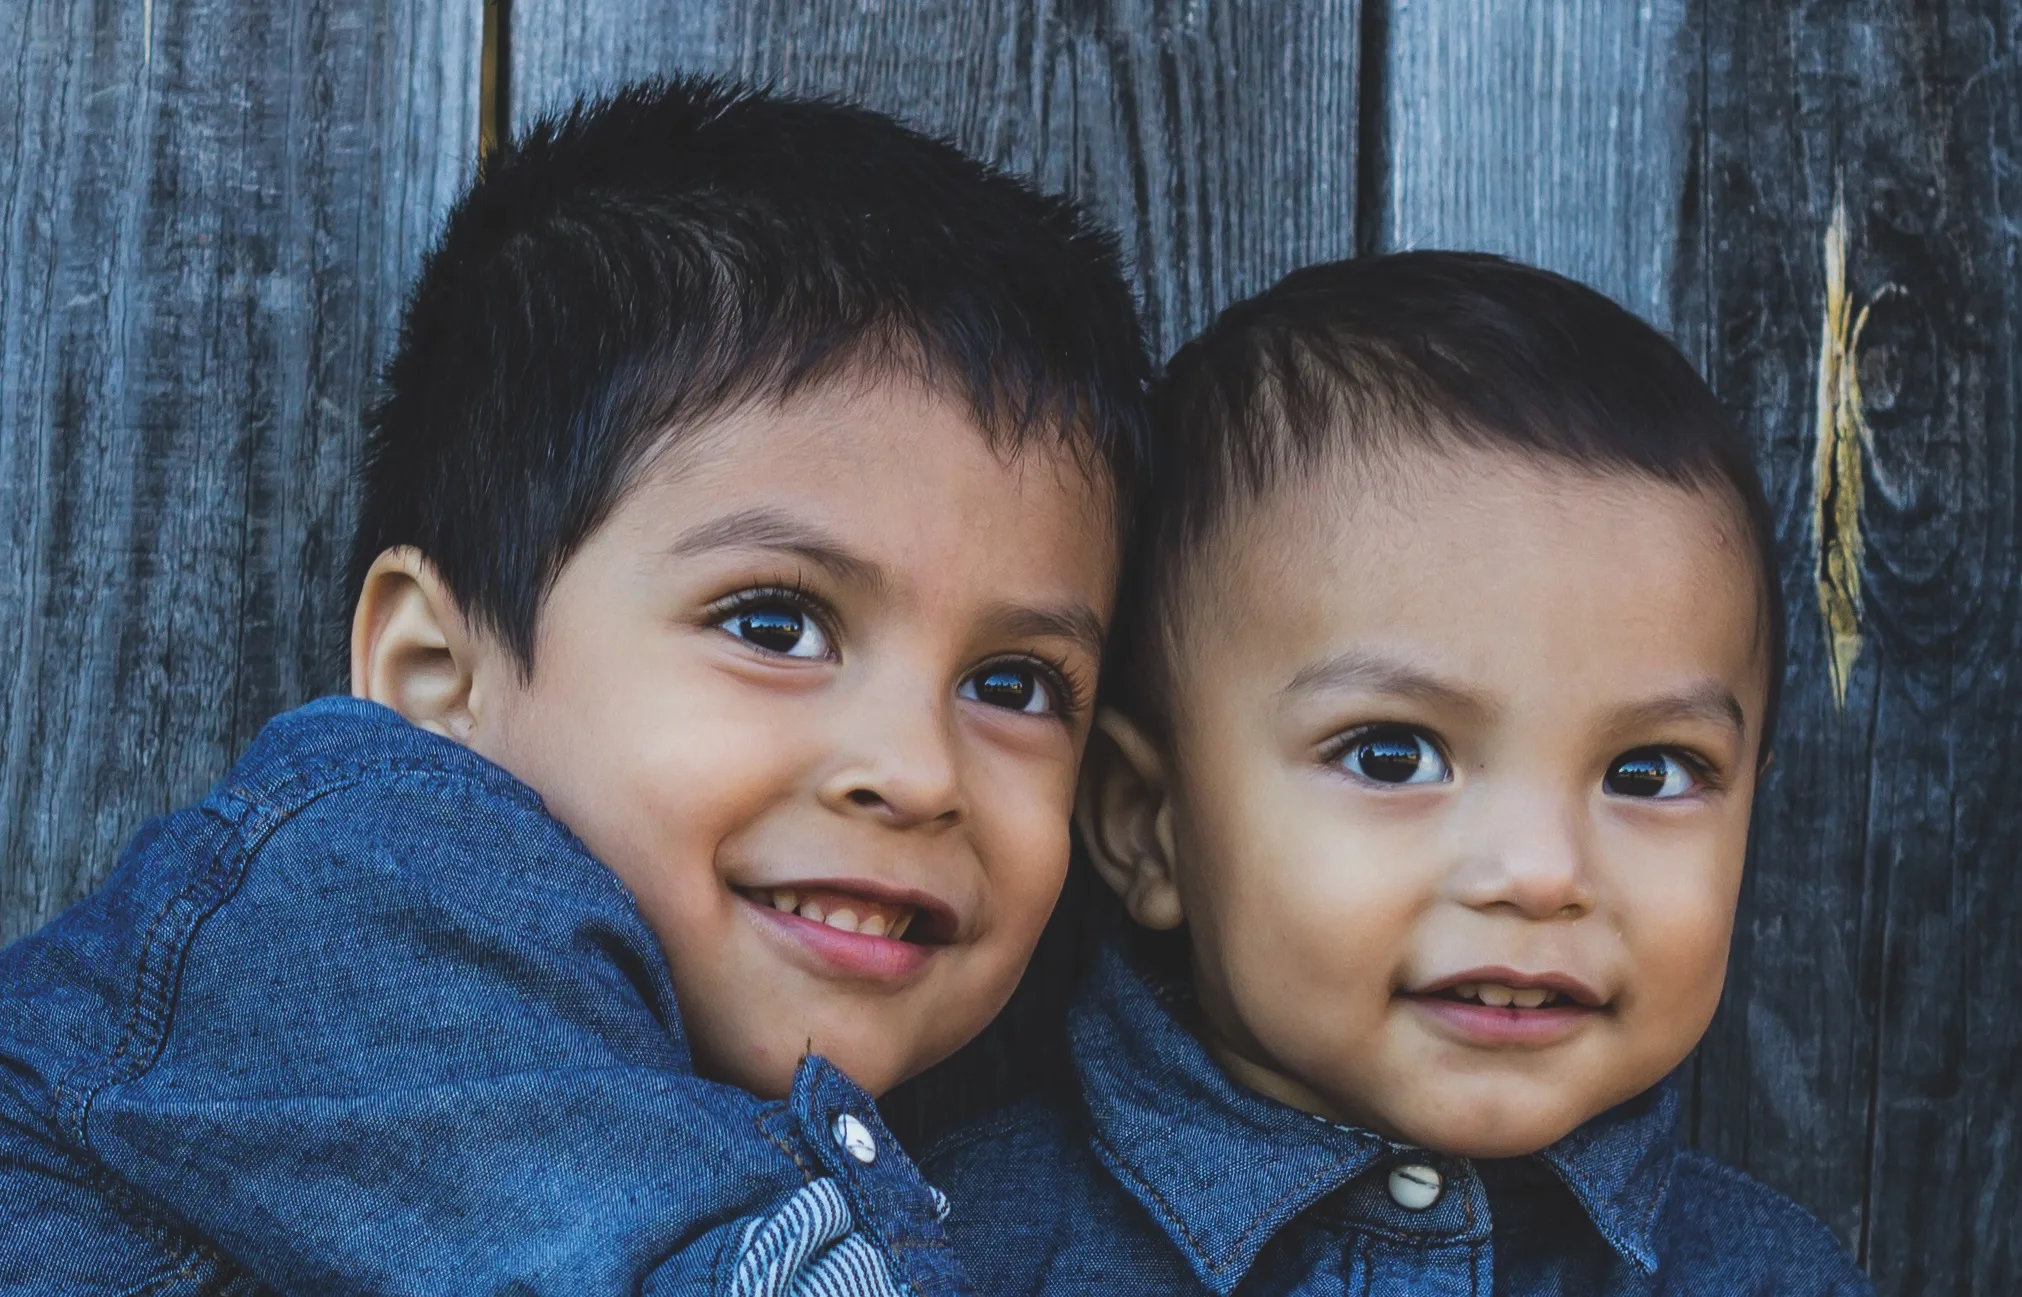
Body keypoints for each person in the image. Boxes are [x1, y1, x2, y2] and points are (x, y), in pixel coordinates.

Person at [0, 77, 1148, 1295]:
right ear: (435, 678)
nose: (920, 772)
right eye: (776, 622)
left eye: (1014, 683)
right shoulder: (357, 911)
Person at [924, 252, 1874, 1294]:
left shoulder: (1773, 1276)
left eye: (1649, 772)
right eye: (1394, 756)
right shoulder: (946, 1251)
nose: (1541, 873)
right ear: (1148, 823)